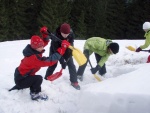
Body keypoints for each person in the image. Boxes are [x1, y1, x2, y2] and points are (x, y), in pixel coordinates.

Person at [12, 31, 70, 101]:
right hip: (21, 78)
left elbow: (43, 43)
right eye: (40, 46)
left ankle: (20, 85)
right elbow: (50, 60)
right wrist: (62, 49)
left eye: (42, 45)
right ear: (35, 47)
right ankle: (35, 94)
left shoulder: (33, 50)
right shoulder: (33, 58)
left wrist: (45, 35)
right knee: (38, 79)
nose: (42, 47)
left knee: (33, 78)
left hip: (21, 75)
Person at [44, 23, 80, 90]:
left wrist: (69, 54)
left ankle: (74, 81)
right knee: (53, 64)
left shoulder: (71, 34)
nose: (66, 35)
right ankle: (46, 79)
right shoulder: (55, 38)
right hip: (55, 50)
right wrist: (62, 61)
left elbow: (71, 44)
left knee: (71, 64)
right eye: (64, 34)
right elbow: (57, 53)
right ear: (61, 32)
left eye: (67, 34)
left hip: (66, 49)